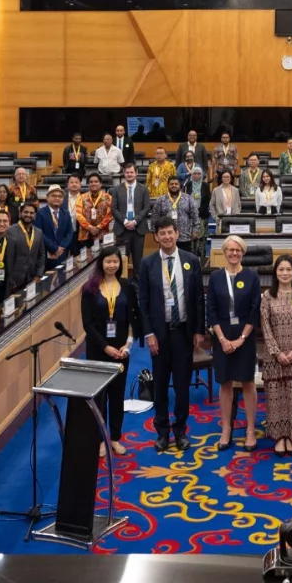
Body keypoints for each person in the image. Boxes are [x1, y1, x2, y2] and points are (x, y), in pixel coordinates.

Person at [136, 219, 205, 452]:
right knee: (161, 385)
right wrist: (149, 334)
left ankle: (180, 430)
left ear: (177, 233)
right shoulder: (147, 263)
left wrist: (199, 330)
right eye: (162, 233)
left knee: (183, 385)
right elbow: (142, 302)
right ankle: (163, 431)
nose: (166, 237)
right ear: (156, 237)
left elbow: (197, 299)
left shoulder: (191, 260)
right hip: (160, 333)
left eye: (170, 232)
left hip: (184, 332)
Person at [208, 236, 261, 451]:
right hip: (221, 336)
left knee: (248, 382)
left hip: (244, 336)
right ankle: (226, 428)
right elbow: (210, 311)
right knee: (225, 382)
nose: (234, 253)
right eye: (230, 249)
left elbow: (254, 309)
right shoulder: (215, 277)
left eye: (238, 250)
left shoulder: (251, 276)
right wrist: (222, 339)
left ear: (243, 252)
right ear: (224, 252)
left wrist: (240, 339)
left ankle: (249, 429)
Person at [81, 251, 135, 457]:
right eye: (108, 261)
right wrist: (105, 347)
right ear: (101, 263)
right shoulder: (89, 289)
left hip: (122, 350)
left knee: (117, 395)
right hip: (98, 349)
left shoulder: (128, 286)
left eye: (115, 261)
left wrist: (128, 345)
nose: (112, 265)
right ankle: (100, 439)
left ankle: (115, 437)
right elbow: (88, 324)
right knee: (100, 396)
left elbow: (133, 318)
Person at [259, 256, 292, 457]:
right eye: (281, 269)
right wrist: (277, 352)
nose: (285, 273)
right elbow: (265, 326)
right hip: (274, 357)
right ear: (275, 273)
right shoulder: (267, 296)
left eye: (289, 269)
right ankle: (279, 437)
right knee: (275, 396)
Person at [111, 163, 150, 273]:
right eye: (127, 172)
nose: (129, 174)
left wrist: (134, 221)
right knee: (121, 261)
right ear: (123, 173)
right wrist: (125, 221)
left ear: (136, 173)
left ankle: (138, 287)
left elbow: (146, 207)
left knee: (138, 261)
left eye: (131, 172)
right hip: (122, 229)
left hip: (138, 229)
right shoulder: (116, 189)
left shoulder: (143, 189)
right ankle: (121, 286)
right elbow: (113, 209)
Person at [37, 184, 76, 268]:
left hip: (61, 254)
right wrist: (54, 248)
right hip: (45, 254)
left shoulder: (66, 213)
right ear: (47, 198)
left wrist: (60, 248)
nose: (57, 198)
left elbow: (69, 233)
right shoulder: (40, 213)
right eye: (54, 196)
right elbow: (39, 234)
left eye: (60, 196)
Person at [76, 174, 113, 250]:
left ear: (100, 184)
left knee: (101, 258)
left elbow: (110, 214)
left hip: (102, 233)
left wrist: (98, 227)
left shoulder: (108, 197)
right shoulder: (81, 197)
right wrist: (89, 227)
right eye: (91, 182)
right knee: (86, 259)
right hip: (85, 234)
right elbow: (78, 214)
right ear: (88, 184)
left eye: (96, 181)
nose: (93, 183)